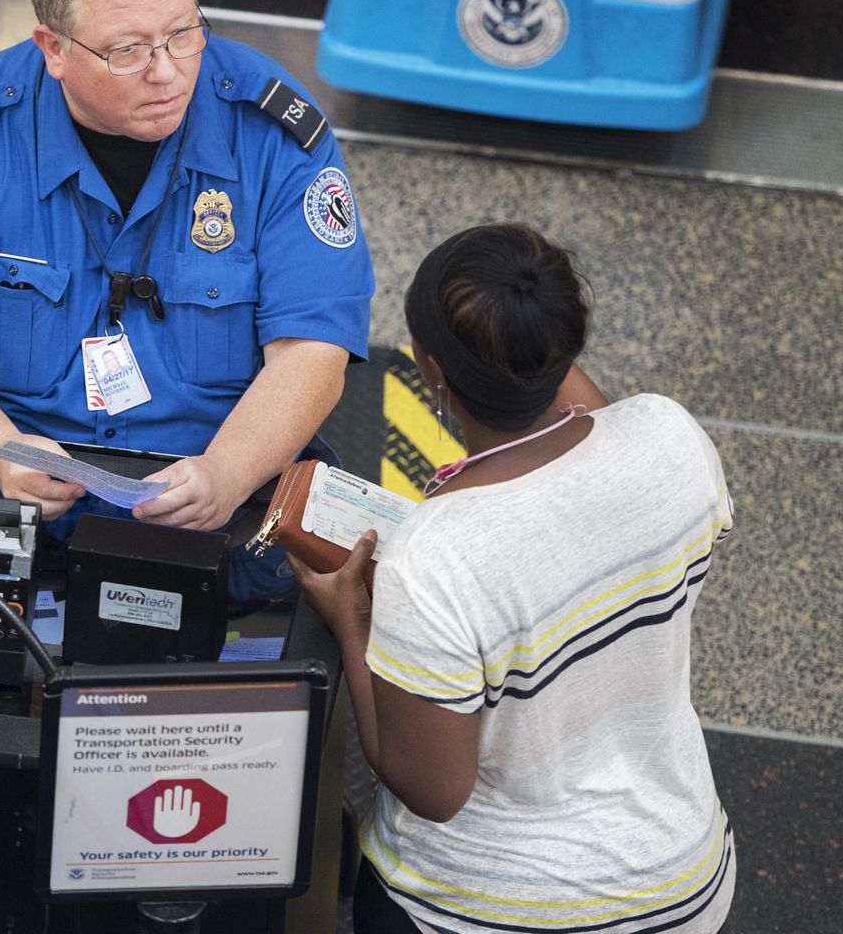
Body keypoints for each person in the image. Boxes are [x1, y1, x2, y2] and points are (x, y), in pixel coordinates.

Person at [0, 0, 374, 544]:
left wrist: (228, 472)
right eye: (127, 50)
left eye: (184, 32)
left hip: (215, 487)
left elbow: (312, 348)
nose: (168, 73)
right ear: (53, 48)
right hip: (8, 484)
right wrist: (2, 450)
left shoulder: (273, 134)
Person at [294, 224, 736, 934]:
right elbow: (587, 419)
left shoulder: (436, 556)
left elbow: (430, 790)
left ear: (429, 371)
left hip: (496, 913)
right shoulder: (670, 436)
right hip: (685, 882)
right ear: (565, 340)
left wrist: (354, 620)